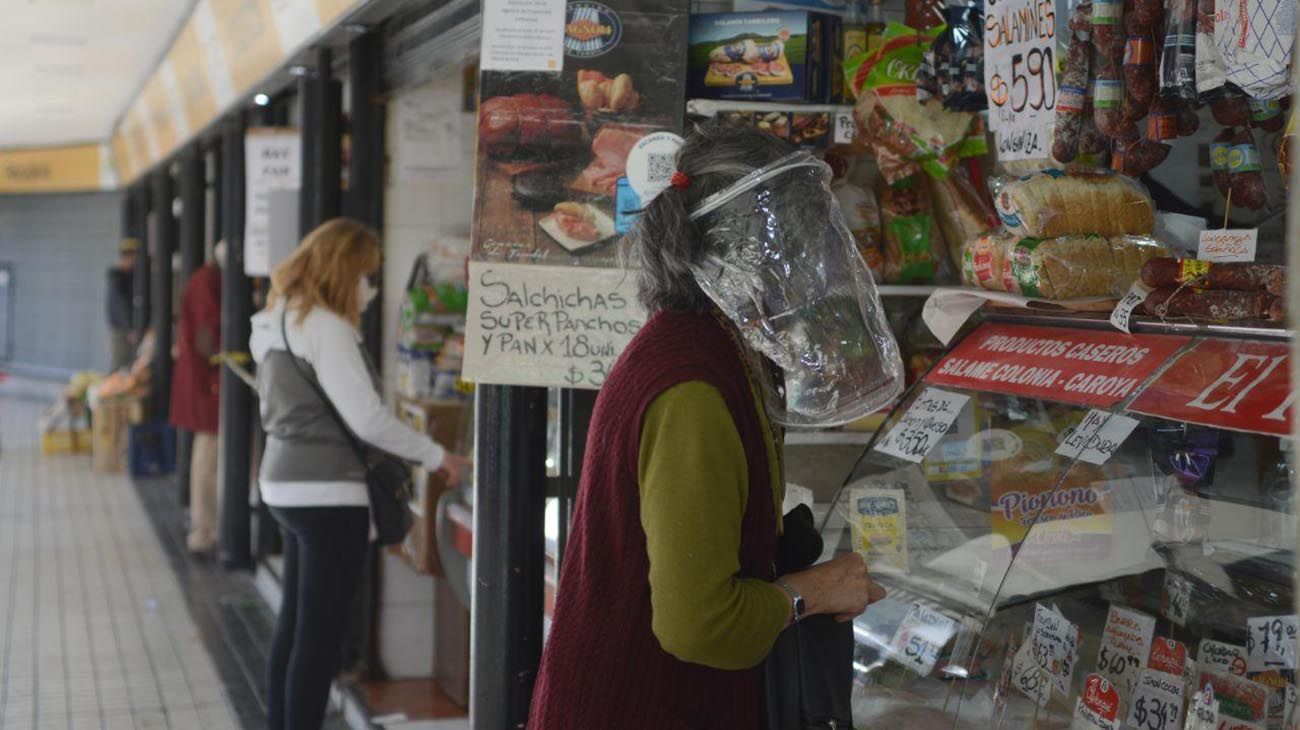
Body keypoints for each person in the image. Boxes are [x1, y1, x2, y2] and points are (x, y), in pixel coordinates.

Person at [529, 122, 903, 729]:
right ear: (750, 255)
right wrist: (815, 591)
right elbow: (699, 624)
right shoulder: (692, 388)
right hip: (639, 707)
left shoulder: (713, 347)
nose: (821, 270)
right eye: (808, 248)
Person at [249, 218, 470, 730]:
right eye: (367, 275)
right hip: (327, 493)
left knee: (296, 624)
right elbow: (366, 419)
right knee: (320, 635)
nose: (370, 287)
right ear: (344, 270)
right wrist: (439, 457)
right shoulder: (326, 327)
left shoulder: (275, 320)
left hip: (281, 482)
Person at [170, 241, 224, 554]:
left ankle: (207, 527)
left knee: (208, 454)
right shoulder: (208, 283)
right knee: (207, 453)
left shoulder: (204, 278)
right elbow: (206, 333)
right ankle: (204, 530)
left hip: (202, 378)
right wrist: (213, 368)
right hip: (205, 381)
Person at [106, 239, 138, 371]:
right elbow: (120, 305)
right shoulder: (118, 278)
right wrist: (130, 328)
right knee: (119, 367)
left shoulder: (128, 276)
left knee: (128, 368)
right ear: (128, 256)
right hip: (121, 331)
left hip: (124, 329)